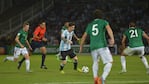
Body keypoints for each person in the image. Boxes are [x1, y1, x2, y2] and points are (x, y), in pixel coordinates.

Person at [79, 9, 114, 84]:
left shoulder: (90, 24)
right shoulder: (103, 22)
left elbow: (84, 36)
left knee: (95, 62)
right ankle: (102, 78)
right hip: (102, 45)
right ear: (101, 16)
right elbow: (109, 29)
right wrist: (112, 39)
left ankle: (95, 78)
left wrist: (81, 46)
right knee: (109, 62)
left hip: (93, 47)